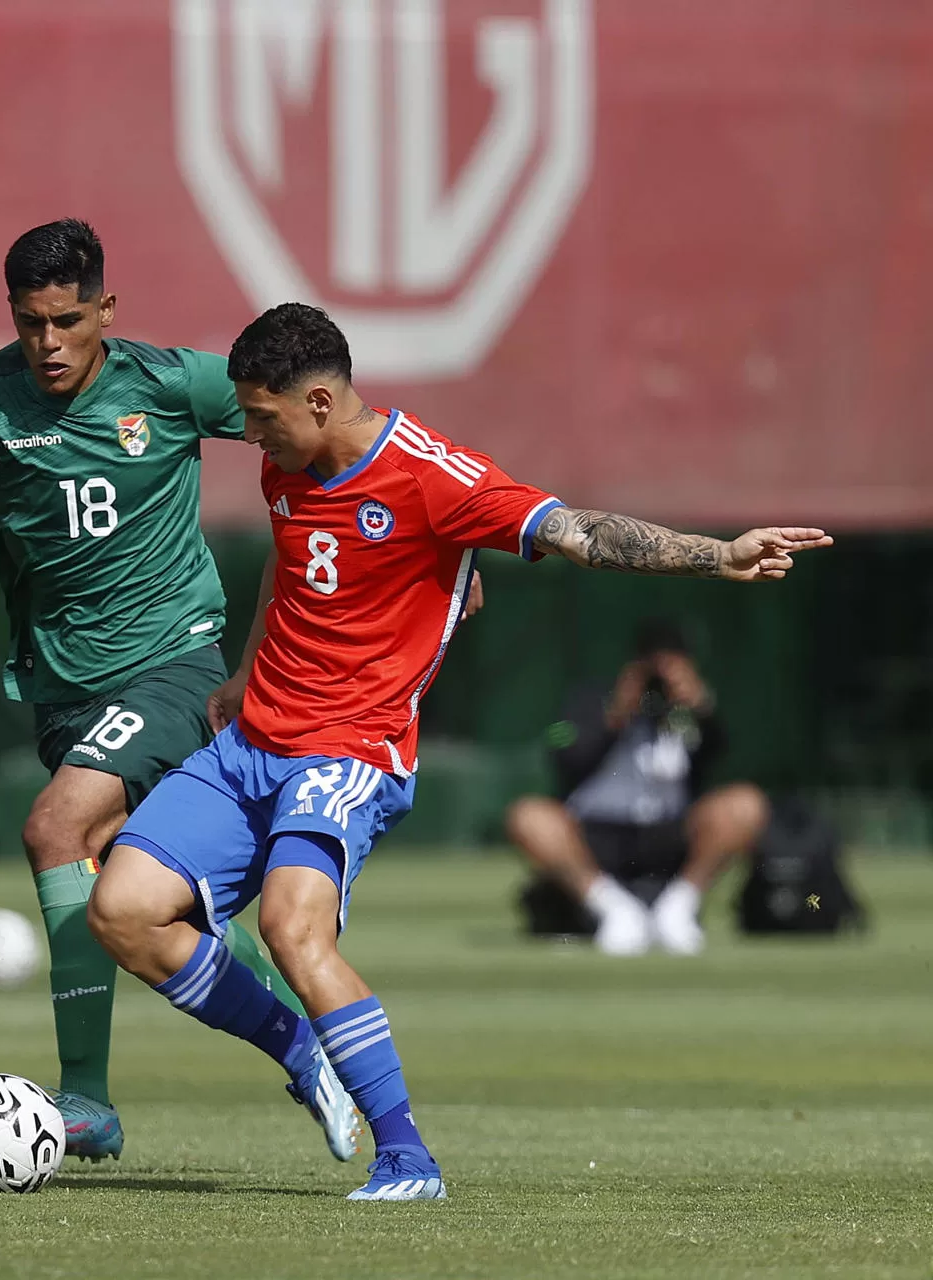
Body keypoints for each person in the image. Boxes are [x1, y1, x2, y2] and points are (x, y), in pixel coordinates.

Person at [86, 302, 830, 1200]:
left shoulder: (432, 475)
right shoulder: (288, 464)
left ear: (317, 401)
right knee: (121, 910)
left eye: (260, 415)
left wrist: (719, 557)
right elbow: (294, 561)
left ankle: (408, 1159)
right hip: (251, 743)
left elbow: (580, 533)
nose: (248, 433)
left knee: (290, 928)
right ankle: (299, 1051)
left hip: (348, 752)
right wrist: (247, 673)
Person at [0, 220, 358, 1164]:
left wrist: (436, 547)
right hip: (61, 692)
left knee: (53, 830)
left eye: (67, 321)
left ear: (106, 309)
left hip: (174, 666)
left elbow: (328, 427)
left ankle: (87, 1101)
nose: (49, 342)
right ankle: (306, 1044)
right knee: (151, 911)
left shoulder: (171, 384)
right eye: (30, 323)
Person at [506, 618, 770, 956]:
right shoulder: (595, 698)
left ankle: (678, 909)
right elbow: (563, 751)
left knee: (745, 804)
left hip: (670, 831)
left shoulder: (690, 712)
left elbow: (722, 755)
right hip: (597, 832)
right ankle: (613, 910)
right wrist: (616, 714)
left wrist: (701, 708)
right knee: (527, 816)